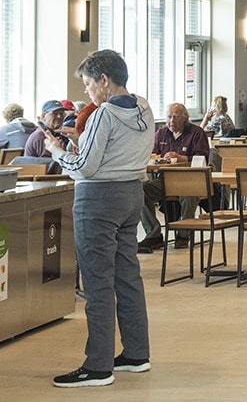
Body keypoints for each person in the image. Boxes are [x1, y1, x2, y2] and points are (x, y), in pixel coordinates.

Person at [45, 49, 153, 388]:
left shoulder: (104, 114)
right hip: (131, 194)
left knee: (97, 280)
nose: (88, 92)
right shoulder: (144, 106)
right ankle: (136, 353)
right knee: (128, 276)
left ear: (104, 80)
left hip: (97, 200)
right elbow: (116, 149)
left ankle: (98, 365)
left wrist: (57, 151)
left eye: (89, 84)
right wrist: (83, 140)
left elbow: (85, 168)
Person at [142, 103, 211, 252]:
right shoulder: (161, 134)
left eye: (175, 117)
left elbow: (203, 158)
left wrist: (182, 158)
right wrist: (157, 160)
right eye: (169, 117)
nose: (171, 121)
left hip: (191, 180)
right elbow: (152, 155)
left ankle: (183, 235)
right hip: (164, 180)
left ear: (185, 118)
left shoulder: (196, 133)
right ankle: (153, 234)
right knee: (139, 190)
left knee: (188, 195)